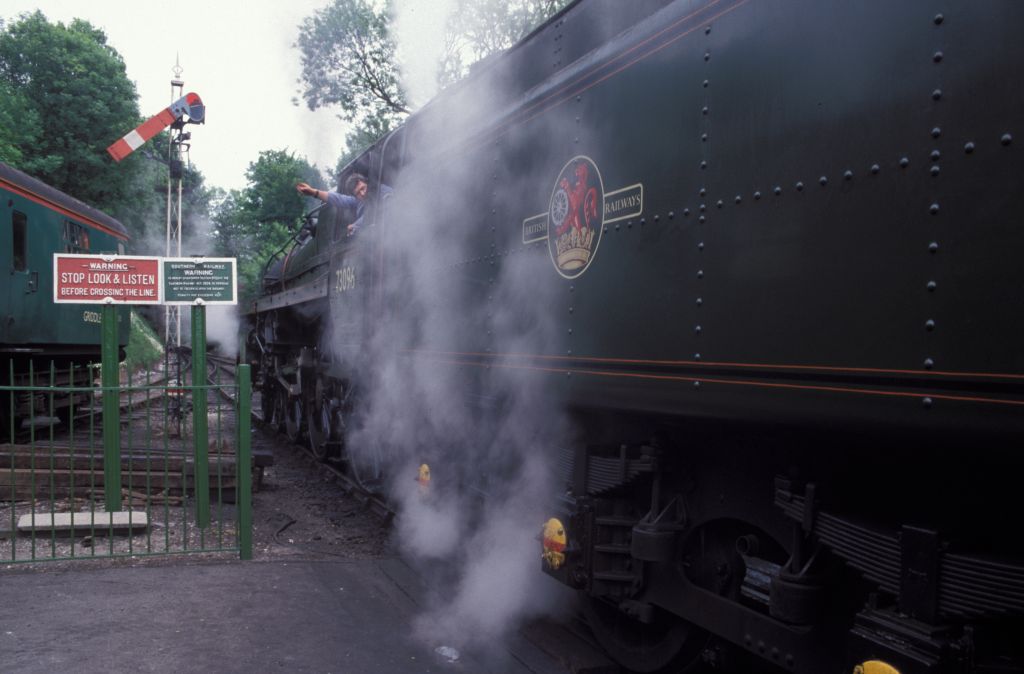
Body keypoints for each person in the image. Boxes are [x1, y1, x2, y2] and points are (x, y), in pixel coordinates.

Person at [296, 173, 391, 236]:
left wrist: (356, 226)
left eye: (363, 188)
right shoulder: (358, 202)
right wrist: (313, 192)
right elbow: (339, 199)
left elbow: (379, 212)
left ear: (367, 183)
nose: (362, 193)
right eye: (358, 193)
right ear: (354, 196)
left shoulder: (383, 191)